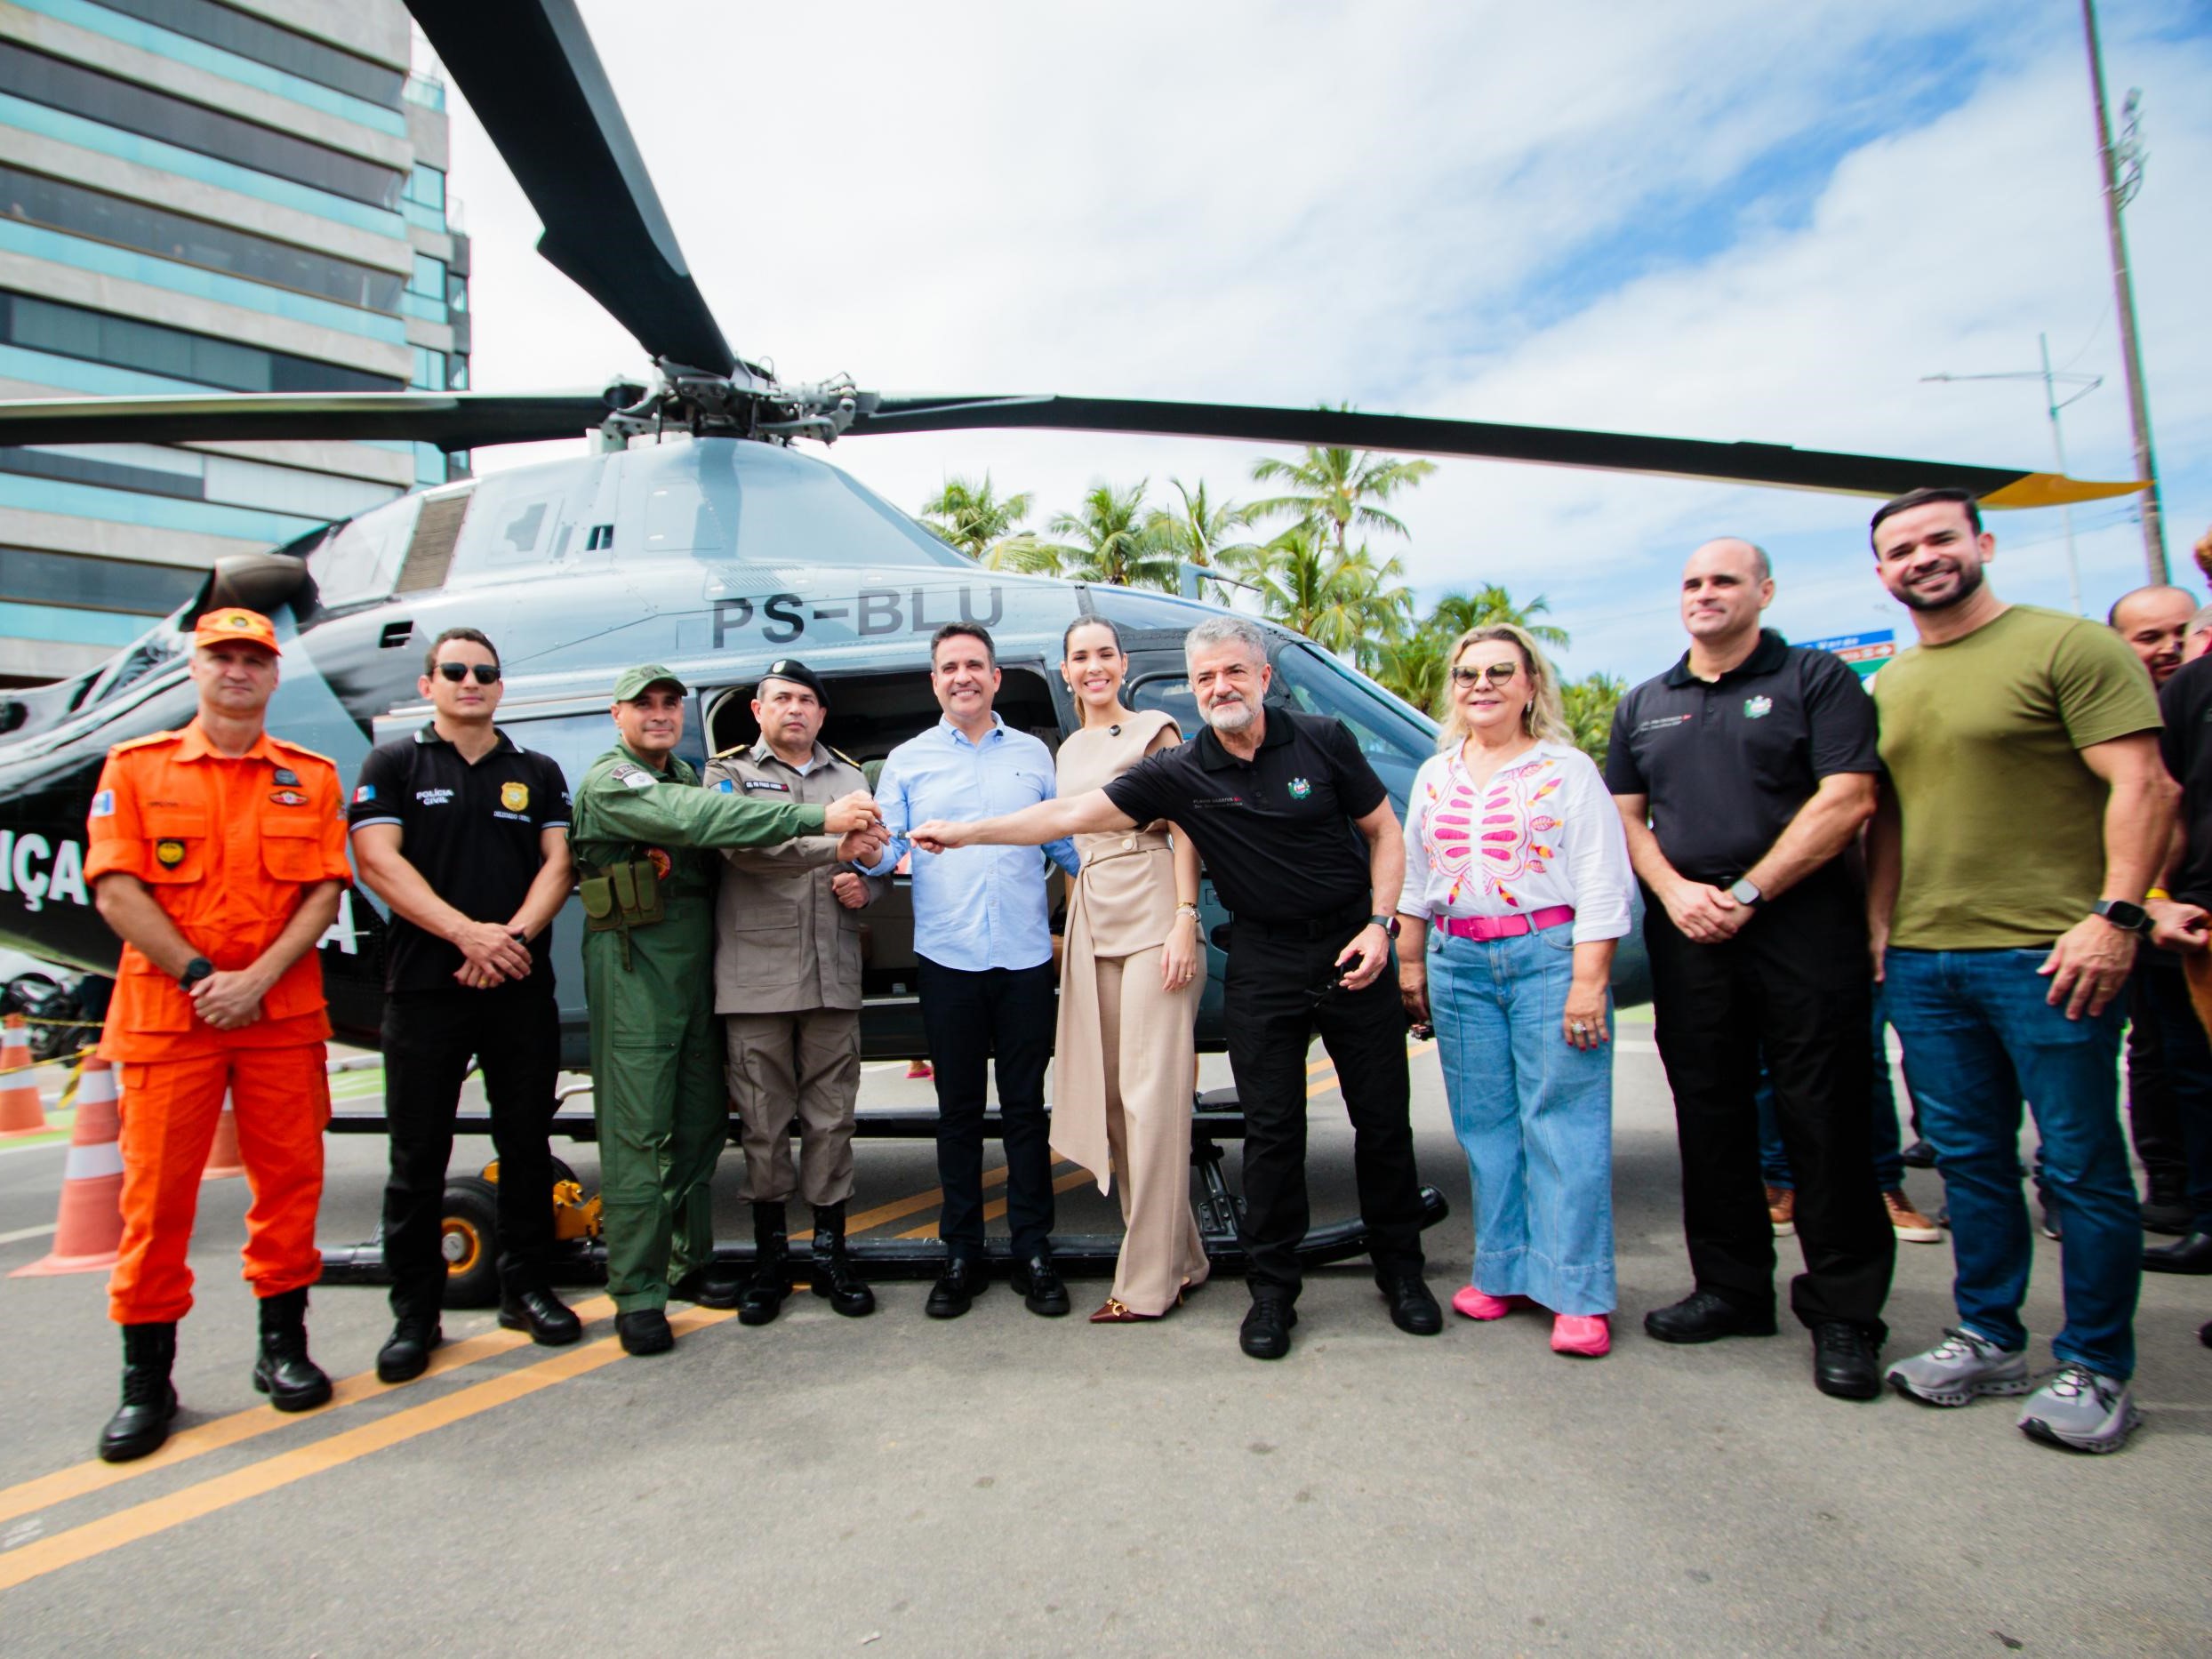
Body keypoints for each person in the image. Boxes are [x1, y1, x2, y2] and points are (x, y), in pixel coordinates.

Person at [913, 614, 1440, 1361]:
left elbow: (1388, 832)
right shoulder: (1184, 769)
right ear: (1191, 690)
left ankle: (1403, 1275)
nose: (1219, 687)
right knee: (1272, 1133)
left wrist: (1384, 926)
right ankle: (1272, 1294)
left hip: (1350, 944)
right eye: (1204, 678)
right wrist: (966, 833)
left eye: (1233, 672)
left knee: (1383, 1125)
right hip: (1262, 957)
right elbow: (1069, 815)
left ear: (1262, 677)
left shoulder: (1323, 739)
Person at [1869, 488, 2174, 1455]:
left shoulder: (2070, 646)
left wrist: (2116, 916)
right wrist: (1879, 933)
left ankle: (2094, 1360)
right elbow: (1887, 822)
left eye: (1938, 540)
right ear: (1881, 573)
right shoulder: (1891, 682)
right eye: (1900, 550)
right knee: (1969, 1161)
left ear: (1982, 543)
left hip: (2047, 950)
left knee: (2080, 1165)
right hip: (1926, 957)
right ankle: (1989, 1335)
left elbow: (2145, 784)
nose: (1921, 559)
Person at [1605, 538, 1895, 1401]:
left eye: (1724, 580)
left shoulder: (1815, 681)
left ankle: (1843, 1314)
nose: (1704, 593)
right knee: (1709, 1115)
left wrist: (1750, 891)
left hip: (1801, 926)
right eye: (1691, 582)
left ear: (1763, 591)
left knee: (1824, 1119)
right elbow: (1625, 815)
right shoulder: (1645, 703)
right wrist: (1676, 892)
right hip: (1688, 934)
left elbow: (1848, 798)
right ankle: (1730, 1289)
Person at [84, 607, 350, 1462]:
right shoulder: (136, 768)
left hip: (279, 1017)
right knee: (155, 1204)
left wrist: (258, 980)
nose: (238, 671)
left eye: (253, 660)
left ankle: (283, 1351)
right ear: (196, 671)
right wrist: (205, 981)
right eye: (222, 658)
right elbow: (115, 889)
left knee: (291, 1188)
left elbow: (322, 892)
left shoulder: (307, 777)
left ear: (274, 677)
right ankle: (146, 1380)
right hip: (172, 1018)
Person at [570, 664, 883, 1356]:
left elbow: (873, 860)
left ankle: (685, 1265)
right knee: (639, 1135)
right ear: (615, 715)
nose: (658, 714)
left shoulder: (684, 774)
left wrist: (866, 875)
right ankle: (639, 1292)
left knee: (699, 1123)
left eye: (669, 703)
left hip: (696, 969)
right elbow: (713, 827)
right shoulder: (626, 781)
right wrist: (822, 826)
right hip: (636, 967)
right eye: (642, 705)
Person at [349, 628, 582, 1384]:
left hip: (518, 985)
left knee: (525, 1149)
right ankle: (416, 1315)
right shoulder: (396, 763)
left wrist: (509, 938)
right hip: (425, 992)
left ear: (499, 685)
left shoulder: (536, 771)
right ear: (429, 686)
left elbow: (560, 864)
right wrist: (465, 936)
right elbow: (377, 861)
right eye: (454, 671)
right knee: (416, 1159)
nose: (470, 681)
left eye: (485, 671)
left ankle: (527, 1289)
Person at [1397, 624, 1632, 1358]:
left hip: (1549, 956)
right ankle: (1503, 1272)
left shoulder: (1566, 771)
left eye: (1501, 671)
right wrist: (1411, 965)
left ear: (1532, 685)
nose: (1483, 685)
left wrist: (1589, 981)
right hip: (1458, 960)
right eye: (1468, 674)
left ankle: (1576, 1291)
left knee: (1561, 1122)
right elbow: (1413, 878)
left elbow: (1602, 882)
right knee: (1487, 1128)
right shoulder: (1435, 774)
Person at [855, 624, 1082, 1319]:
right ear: (935, 681)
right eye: (949, 667)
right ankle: (961, 1253)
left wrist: (1129, 893)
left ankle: (1032, 1250)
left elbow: (1069, 844)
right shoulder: (908, 760)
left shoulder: (1035, 756)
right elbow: (883, 847)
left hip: (1022, 958)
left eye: (975, 665)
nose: (963, 677)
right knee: (956, 1114)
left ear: (995, 678)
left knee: (1024, 1111)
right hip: (948, 958)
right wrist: (858, 864)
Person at [702, 659, 886, 1324]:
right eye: (781, 698)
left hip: (831, 972)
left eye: (807, 700)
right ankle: (771, 1259)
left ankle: (832, 1254)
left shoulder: (851, 775)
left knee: (833, 1120)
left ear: (821, 714)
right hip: (757, 978)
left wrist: (870, 880)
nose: (795, 710)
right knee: (763, 1124)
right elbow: (741, 847)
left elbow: (872, 852)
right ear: (758, 710)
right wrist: (832, 840)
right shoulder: (727, 775)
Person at [1047, 617, 1208, 1321]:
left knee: (1153, 1103)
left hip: (1153, 915)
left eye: (1104, 654)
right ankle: (1188, 1257)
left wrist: (1184, 917)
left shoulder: (1155, 731)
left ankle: (1146, 1282)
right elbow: (1070, 846)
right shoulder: (1068, 749)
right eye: (1080, 657)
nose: (1094, 667)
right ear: (1064, 670)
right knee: (1115, 1105)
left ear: (1122, 662)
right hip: (1093, 918)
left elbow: (1188, 830)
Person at [2108, 585, 2204, 1235]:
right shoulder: (2136, 707)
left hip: (2165, 913)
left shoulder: (2184, 697)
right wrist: (2151, 902)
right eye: (2148, 637)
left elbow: (2162, 798)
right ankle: (2174, 1186)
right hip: (2147, 915)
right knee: (2163, 1056)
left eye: (2180, 633)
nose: (2167, 649)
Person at [2139, 646, 2212, 1278]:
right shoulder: (2193, 688)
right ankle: (2207, 1220)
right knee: (2196, 1081)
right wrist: (2156, 898)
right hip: (2198, 921)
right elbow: (2166, 799)